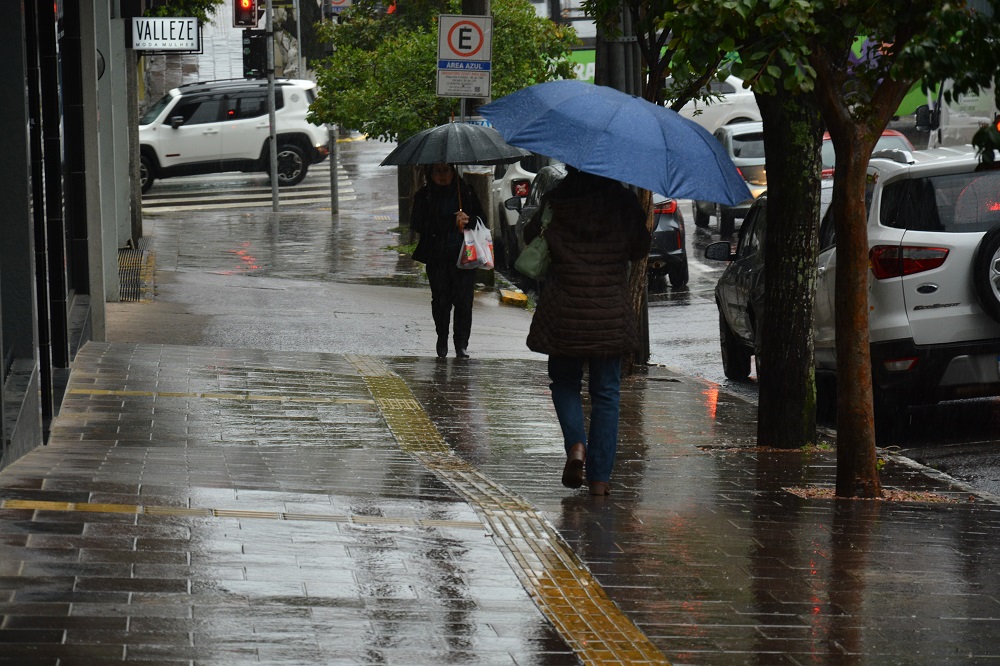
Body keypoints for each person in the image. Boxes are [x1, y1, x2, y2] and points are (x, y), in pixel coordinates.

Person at [522, 166, 650, 496]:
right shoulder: (623, 202)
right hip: (608, 311)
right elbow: (639, 249)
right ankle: (599, 479)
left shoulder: (557, 198)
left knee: (565, 383)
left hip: (564, 310)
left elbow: (531, 236)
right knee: (606, 393)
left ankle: (577, 445)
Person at [410, 163, 486, 358]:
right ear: (430, 173)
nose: (442, 176)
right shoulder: (424, 196)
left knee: (464, 301)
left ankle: (461, 344)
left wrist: (468, 219)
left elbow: (481, 218)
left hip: (464, 256)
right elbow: (418, 224)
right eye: (437, 171)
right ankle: (442, 337)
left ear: (453, 171)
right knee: (441, 301)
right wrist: (449, 221)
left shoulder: (466, 192)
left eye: (446, 170)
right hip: (438, 258)